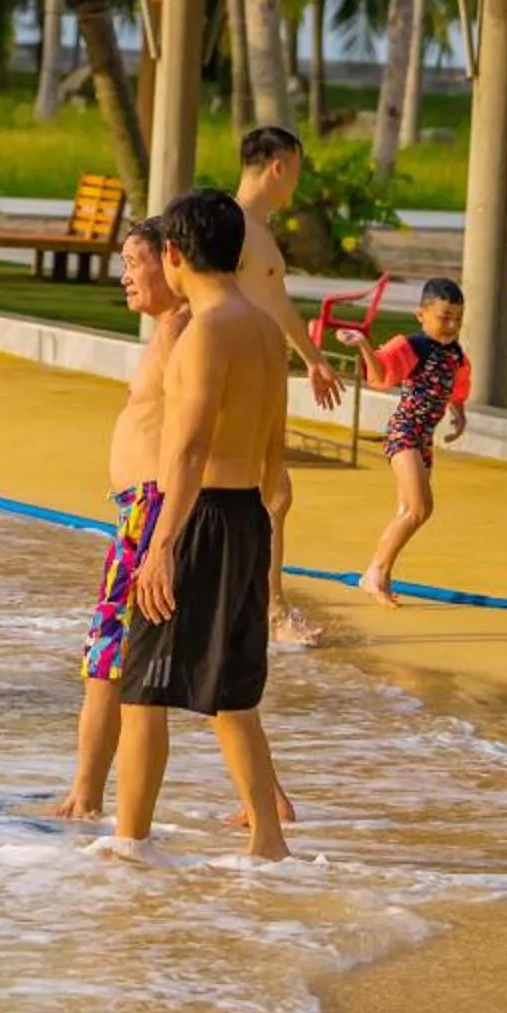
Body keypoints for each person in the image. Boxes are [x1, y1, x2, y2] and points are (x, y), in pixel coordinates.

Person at [110, 187, 295, 864]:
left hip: (197, 516)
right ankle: (267, 842)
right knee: (232, 691)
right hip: (246, 511)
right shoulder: (266, 330)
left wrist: (161, 546)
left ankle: (129, 843)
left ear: (174, 253)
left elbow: (185, 450)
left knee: (140, 686)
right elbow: (277, 440)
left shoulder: (205, 331)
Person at [49, 222, 186, 815]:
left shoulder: (184, 331)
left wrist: (162, 536)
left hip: (152, 512)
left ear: (171, 262)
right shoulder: (168, 330)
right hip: (139, 510)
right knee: (116, 657)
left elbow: (194, 438)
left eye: (135, 260)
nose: (125, 274)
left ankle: (86, 796)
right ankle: (88, 794)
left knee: (108, 657)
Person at [229, 127, 342, 646]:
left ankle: (264, 607)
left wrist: (314, 360)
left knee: (271, 493)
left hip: (266, 377)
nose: (296, 181)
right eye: (295, 169)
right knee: (269, 493)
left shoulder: (260, 230)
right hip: (242, 378)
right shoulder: (232, 229)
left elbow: (276, 302)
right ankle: (270, 611)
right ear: (278, 166)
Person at [350, 278, 473, 608]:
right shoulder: (413, 346)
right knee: (419, 508)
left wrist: (458, 415)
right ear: (421, 314)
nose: (451, 325)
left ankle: (382, 575)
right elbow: (381, 374)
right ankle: (373, 573)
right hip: (404, 432)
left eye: (457, 319)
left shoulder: (457, 355)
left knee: (409, 511)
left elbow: (457, 388)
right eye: (444, 317)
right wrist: (363, 344)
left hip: (424, 440)